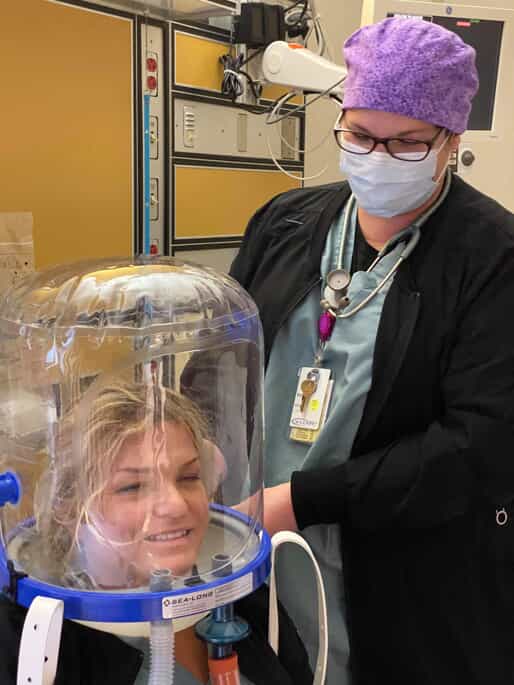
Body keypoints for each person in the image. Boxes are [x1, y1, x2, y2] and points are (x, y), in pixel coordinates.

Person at [230, 16, 514, 685]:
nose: (377, 157)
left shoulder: (491, 257)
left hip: (405, 577)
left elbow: (478, 446)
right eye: (359, 135)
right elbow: (225, 357)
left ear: (450, 140)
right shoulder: (285, 223)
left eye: (406, 143)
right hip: (262, 544)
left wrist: (301, 498)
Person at [0, 382, 312, 685]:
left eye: (189, 477)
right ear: (68, 510)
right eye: (133, 487)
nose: (175, 505)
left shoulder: (241, 597)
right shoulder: (33, 642)